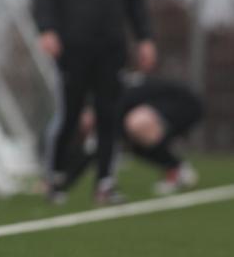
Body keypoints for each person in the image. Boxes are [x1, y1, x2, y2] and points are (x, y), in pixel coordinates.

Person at [32, 0, 156, 205]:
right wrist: (47, 28)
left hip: (112, 46)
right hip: (72, 45)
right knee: (70, 113)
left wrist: (145, 38)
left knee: (109, 114)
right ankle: (56, 177)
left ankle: (105, 182)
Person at [63, 75, 201, 195]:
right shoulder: (108, 94)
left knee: (135, 125)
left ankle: (176, 169)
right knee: (132, 141)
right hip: (173, 104)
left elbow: (96, 147)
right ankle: (176, 167)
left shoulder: (112, 103)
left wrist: (65, 181)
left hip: (186, 104)